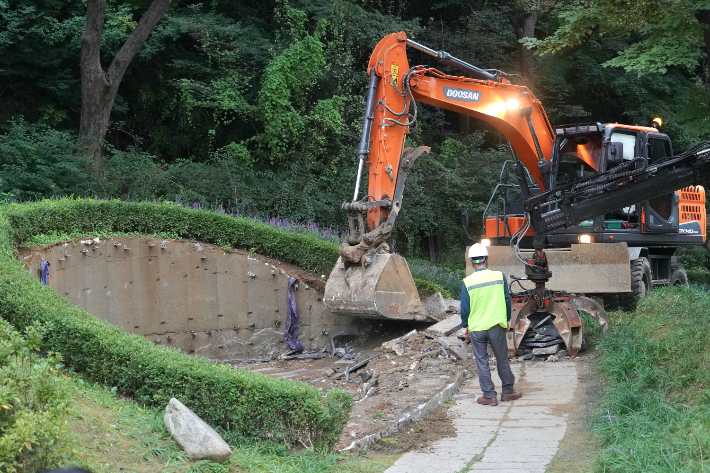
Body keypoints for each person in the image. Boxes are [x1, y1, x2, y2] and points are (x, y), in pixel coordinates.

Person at [460, 243, 522, 406]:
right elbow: (507, 300)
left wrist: (465, 324)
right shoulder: (499, 276)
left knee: (482, 360)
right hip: (496, 325)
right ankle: (508, 391)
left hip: (477, 328)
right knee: (502, 358)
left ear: (472, 262)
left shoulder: (467, 282)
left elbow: (465, 308)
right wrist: (508, 319)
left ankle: (489, 395)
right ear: (487, 260)